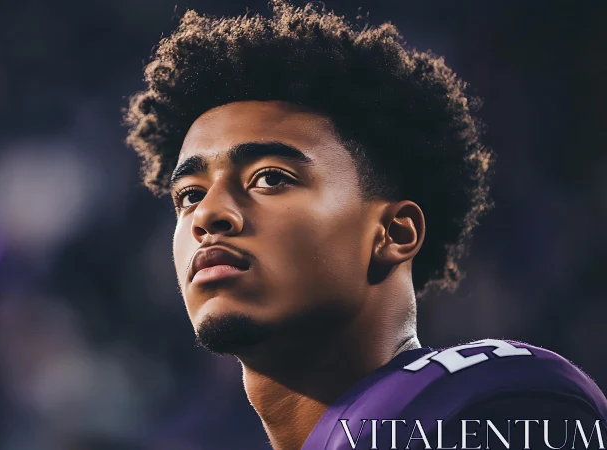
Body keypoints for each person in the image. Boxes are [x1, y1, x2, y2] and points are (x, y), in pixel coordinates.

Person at [123, 1, 607, 448]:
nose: (208, 215)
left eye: (270, 178)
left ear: (394, 234)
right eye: (189, 196)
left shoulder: (495, 403)